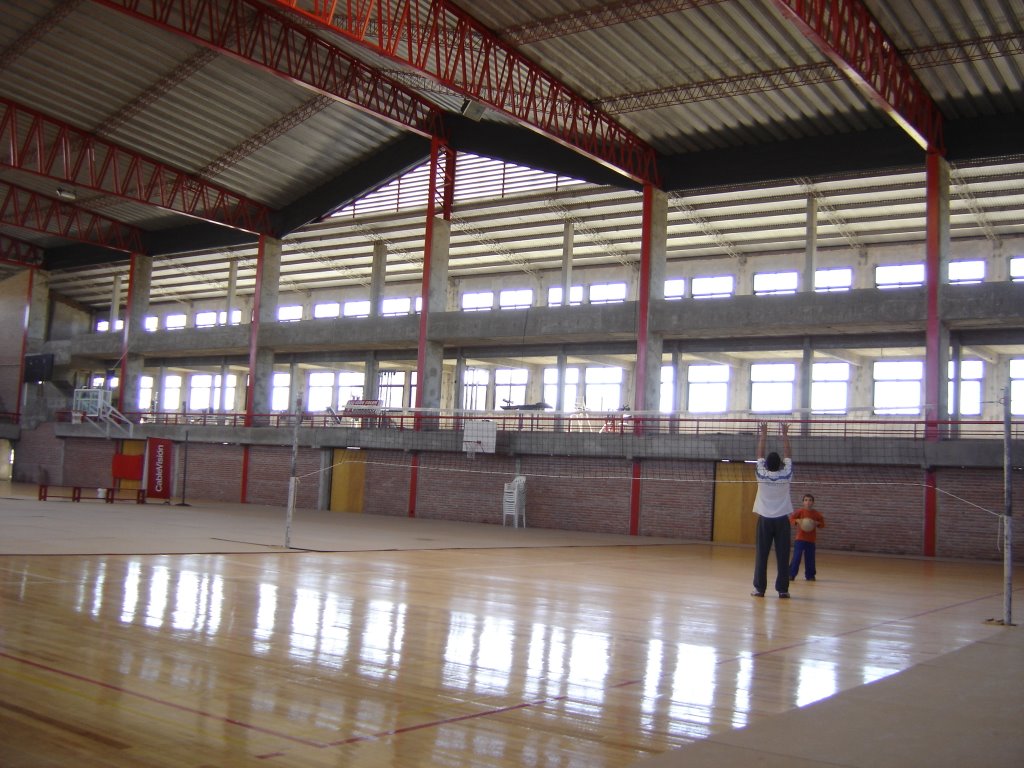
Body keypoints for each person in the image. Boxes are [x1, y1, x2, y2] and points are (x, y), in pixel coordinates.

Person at [751, 421, 793, 599]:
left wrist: (763, 433)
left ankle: (760, 589)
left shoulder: (761, 474)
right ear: (781, 464)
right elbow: (788, 455)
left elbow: (759, 454)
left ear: (766, 464)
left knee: (762, 555)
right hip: (782, 520)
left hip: (765, 520)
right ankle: (782, 590)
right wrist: (784, 434)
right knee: (783, 556)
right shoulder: (786, 474)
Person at [789, 493, 825, 581]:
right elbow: (791, 519)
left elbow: (822, 524)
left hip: (811, 540)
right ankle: (791, 574)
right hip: (800, 539)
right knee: (797, 557)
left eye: (810, 500)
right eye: (806, 500)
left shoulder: (816, 514)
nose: (808, 502)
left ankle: (810, 575)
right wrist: (797, 520)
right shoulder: (800, 512)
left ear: (813, 502)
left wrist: (817, 523)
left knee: (810, 558)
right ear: (803, 502)